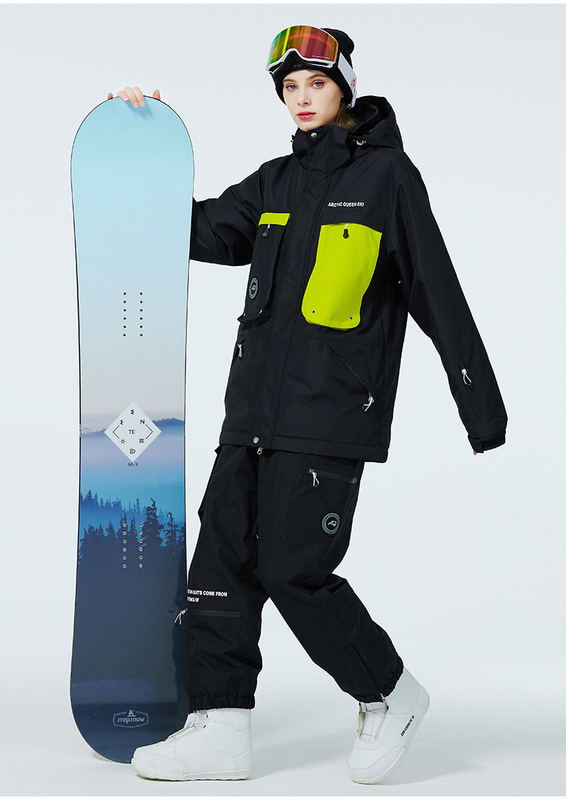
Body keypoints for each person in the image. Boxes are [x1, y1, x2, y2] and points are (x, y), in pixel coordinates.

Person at [110, 26, 507, 784]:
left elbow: (438, 292)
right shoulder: (274, 183)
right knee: (221, 563)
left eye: (315, 84)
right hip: (250, 414)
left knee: (293, 569)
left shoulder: (389, 178)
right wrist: (142, 144)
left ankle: (390, 693)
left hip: (327, 416)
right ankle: (220, 726)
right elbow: (195, 229)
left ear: (344, 86)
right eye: (289, 87)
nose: (300, 98)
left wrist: (480, 409)